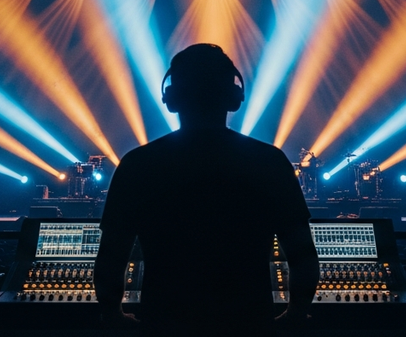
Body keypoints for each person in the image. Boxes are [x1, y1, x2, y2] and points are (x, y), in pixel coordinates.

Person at [94, 43, 320, 337]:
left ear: (172, 98)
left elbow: (111, 258)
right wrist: (296, 313)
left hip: (165, 324)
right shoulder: (270, 162)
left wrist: (113, 314)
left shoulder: (138, 164)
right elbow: (302, 255)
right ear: (234, 97)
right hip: (248, 324)